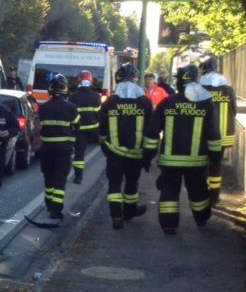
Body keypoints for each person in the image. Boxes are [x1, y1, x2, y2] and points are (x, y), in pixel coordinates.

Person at [143, 65, 222, 235]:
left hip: (169, 161)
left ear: (178, 82)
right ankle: (201, 218)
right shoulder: (206, 104)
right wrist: (216, 157)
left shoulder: (167, 102)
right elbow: (214, 135)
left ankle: (169, 225)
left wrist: (147, 156)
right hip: (197, 162)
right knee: (198, 192)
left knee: (169, 192)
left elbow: (152, 133)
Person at [99, 63, 152, 229]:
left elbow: (102, 130)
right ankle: (129, 212)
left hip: (114, 152)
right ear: (136, 79)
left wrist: (106, 148)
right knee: (131, 183)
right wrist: (148, 155)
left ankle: (116, 217)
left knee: (114, 184)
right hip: (136, 153)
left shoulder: (109, 102)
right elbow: (151, 129)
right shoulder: (145, 102)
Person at [38, 74, 80, 220]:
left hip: (47, 149)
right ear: (65, 89)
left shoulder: (43, 108)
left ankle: (49, 203)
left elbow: (40, 127)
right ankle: (56, 210)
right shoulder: (72, 108)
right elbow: (77, 127)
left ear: (50, 89)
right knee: (60, 180)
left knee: (48, 177)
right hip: (64, 150)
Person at [199, 56, 237, 204]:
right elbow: (234, 110)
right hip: (222, 135)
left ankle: (201, 195)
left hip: (202, 134)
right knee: (215, 165)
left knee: (202, 165)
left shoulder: (200, 88)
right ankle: (214, 197)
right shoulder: (228, 89)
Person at [68, 70, 101, 184]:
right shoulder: (97, 96)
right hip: (94, 130)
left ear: (79, 82)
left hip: (80, 130)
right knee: (105, 150)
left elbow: (70, 115)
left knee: (79, 155)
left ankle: (78, 177)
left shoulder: (73, 97)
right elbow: (99, 114)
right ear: (91, 82)